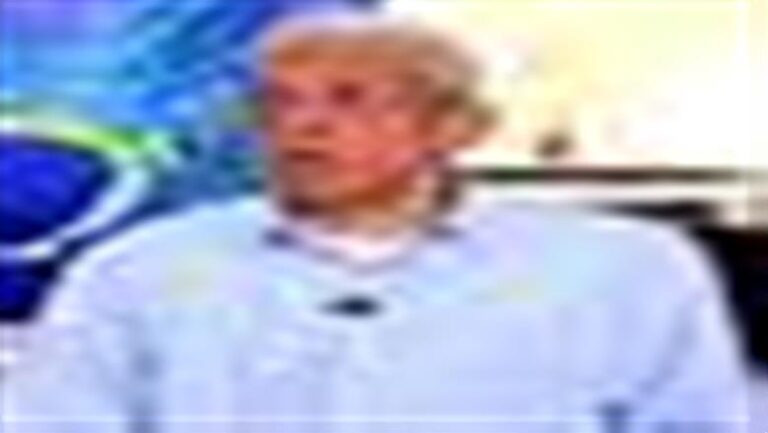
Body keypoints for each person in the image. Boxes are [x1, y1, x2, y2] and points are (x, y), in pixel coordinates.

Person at [2, 13, 748, 433]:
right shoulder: (139, 270)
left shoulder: (620, 269)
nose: (304, 127)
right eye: (276, 103)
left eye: (349, 100)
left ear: (462, 127)